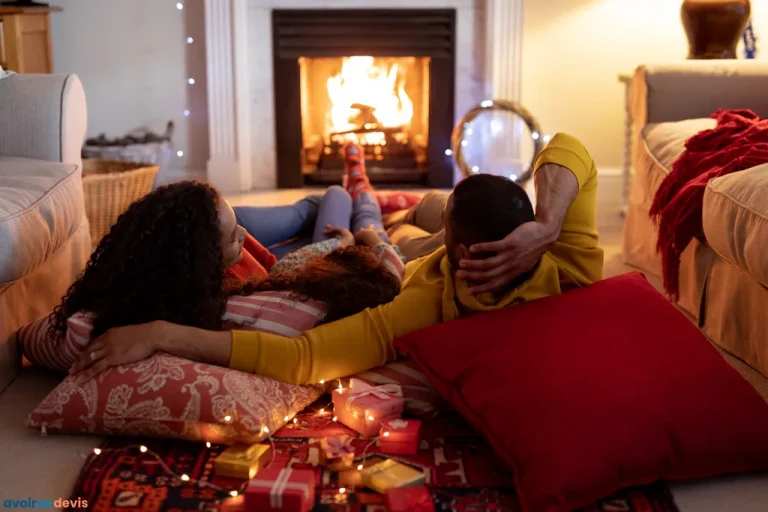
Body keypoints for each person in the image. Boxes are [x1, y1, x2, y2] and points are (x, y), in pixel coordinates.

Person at [70, 133, 604, 383]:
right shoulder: (572, 261)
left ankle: (364, 188)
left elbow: (305, 358)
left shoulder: (420, 306)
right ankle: (375, 195)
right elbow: (570, 147)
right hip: (409, 246)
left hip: (395, 255)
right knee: (417, 206)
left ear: (461, 249)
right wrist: (549, 224)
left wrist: (163, 333)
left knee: (369, 216)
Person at [49, 178, 402, 344]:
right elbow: (288, 270)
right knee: (343, 202)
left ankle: (363, 195)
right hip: (288, 258)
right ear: (204, 258)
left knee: (313, 206)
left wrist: (229, 229)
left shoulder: (170, 262)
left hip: (250, 239)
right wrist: (361, 241)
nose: (244, 235)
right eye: (234, 237)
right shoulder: (219, 301)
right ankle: (367, 198)